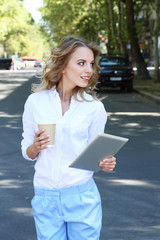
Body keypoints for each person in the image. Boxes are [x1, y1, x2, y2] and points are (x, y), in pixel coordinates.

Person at [21, 36, 116, 240]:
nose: (88, 70)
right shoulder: (35, 102)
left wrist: (104, 162)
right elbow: (26, 149)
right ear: (63, 66)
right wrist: (35, 147)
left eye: (90, 64)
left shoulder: (94, 108)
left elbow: (95, 154)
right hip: (46, 197)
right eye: (81, 63)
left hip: (82, 196)